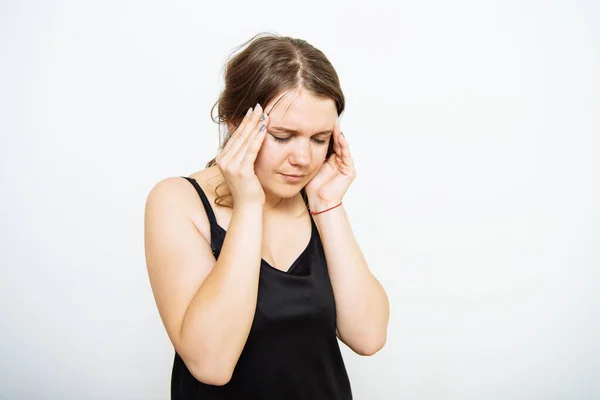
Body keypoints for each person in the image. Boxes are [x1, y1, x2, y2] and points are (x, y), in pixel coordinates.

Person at [144, 33, 390, 399]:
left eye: (319, 139)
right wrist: (247, 206)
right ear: (233, 123)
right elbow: (211, 364)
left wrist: (327, 205)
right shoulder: (178, 201)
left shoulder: (316, 200)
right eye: (282, 136)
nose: (303, 159)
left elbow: (368, 336)